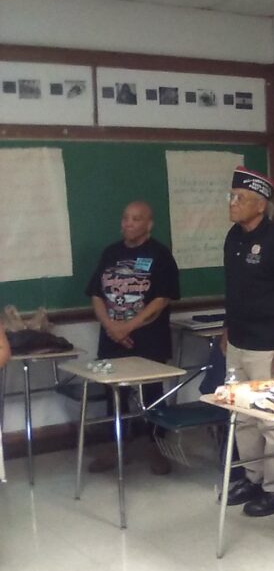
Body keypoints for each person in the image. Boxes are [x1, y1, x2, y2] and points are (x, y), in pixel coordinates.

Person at [222, 167, 274, 518]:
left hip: (269, 345)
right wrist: (227, 328)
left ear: (260, 205)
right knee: (243, 417)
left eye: (239, 198)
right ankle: (253, 477)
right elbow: (233, 289)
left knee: (271, 422)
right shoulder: (233, 237)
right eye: (232, 196)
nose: (232, 203)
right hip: (238, 341)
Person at [86, 200, 180, 474]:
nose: (128, 223)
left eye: (136, 219)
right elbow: (96, 294)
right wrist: (112, 327)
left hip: (148, 339)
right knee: (114, 395)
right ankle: (117, 446)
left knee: (152, 395)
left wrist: (127, 327)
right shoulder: (110, 253)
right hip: (112, 339)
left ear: (148, 224)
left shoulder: (160, 255)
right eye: (125, 218)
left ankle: (156, 447)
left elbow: (161, 299)